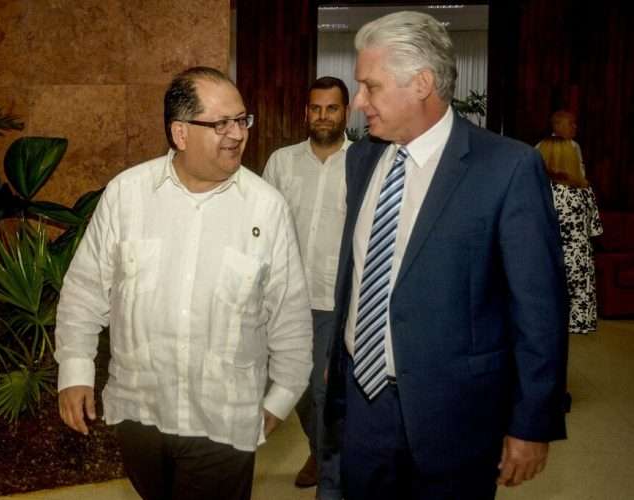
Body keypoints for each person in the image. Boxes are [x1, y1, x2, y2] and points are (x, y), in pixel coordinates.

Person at [324, 11, 569, 500]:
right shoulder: (361, 157)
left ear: (422, 83)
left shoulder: (507, 167)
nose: (358, 102)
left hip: (456, 417)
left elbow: (539, 309)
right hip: (363, 405)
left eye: (370, 86)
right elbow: (359, 275)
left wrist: (531, 422)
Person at [54, 66, 312, 500]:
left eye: (241, 120)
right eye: (220, 123)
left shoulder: (266, 208)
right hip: (140, 412)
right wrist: (75, 371)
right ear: (180, 133)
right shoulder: (127, 195)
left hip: (222, 422)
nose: (237, 134)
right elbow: (84, 290)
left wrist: (281, 398)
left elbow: (288, 313)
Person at [263, 76, 350, 499]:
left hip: (334, 299)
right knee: (291, 386)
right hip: (285, 297)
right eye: (315, 108)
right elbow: (262, 227)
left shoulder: (363, 162)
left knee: (320, 387)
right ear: (305, 113)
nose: (322, 116)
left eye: (331, 108)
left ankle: (331, 468)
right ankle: (322, 449)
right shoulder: (282, 162)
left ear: (345, 113)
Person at [538, 136, 603, 334]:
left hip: (549, 258)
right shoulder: (584, 190)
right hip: (580, 261)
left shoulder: (540, 191)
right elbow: (595, 229)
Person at [548, 110, 585, 177]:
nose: (575, 126)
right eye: (571, 123)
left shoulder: (575, 146)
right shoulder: (544, 146)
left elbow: (581, 171)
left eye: (574, 123)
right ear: (558, 126)